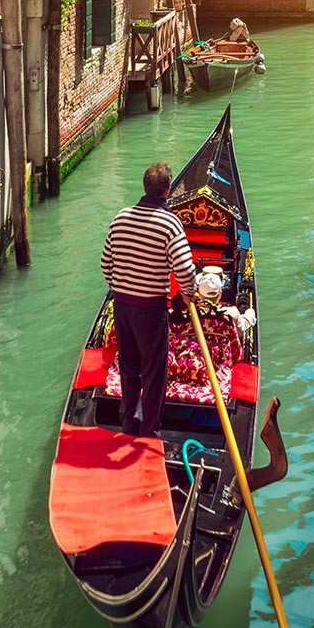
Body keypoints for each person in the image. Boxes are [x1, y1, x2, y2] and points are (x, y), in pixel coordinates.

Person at [100, 162, 196, 436]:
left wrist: (123, 287)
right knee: (153, 371)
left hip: (122, 306)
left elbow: (106, 264)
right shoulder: (169, 223)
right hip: (151, 310)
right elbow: (186, 270)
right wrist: (185, 294)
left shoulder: (121, 217)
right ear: (168, 190)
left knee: (129, 367)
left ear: (145, 187)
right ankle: (149, 429)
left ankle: (129, 423)